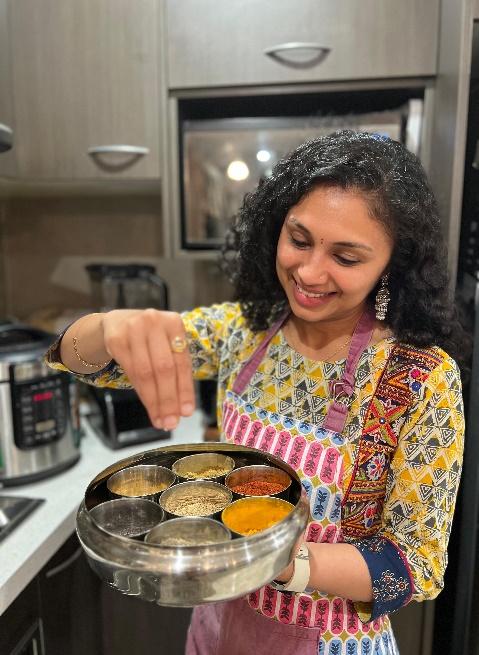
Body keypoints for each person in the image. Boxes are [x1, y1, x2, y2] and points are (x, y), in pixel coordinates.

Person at [46, 131, 465, 655]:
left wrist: (275, 560)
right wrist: (108, 327)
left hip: (330, 640)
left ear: (391, 266)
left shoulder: (418, 379)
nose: (310, 273)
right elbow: (87, 365)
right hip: (215, 629)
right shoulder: (242, 332)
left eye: (347, 257)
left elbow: (413, 569)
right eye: (300, 239)